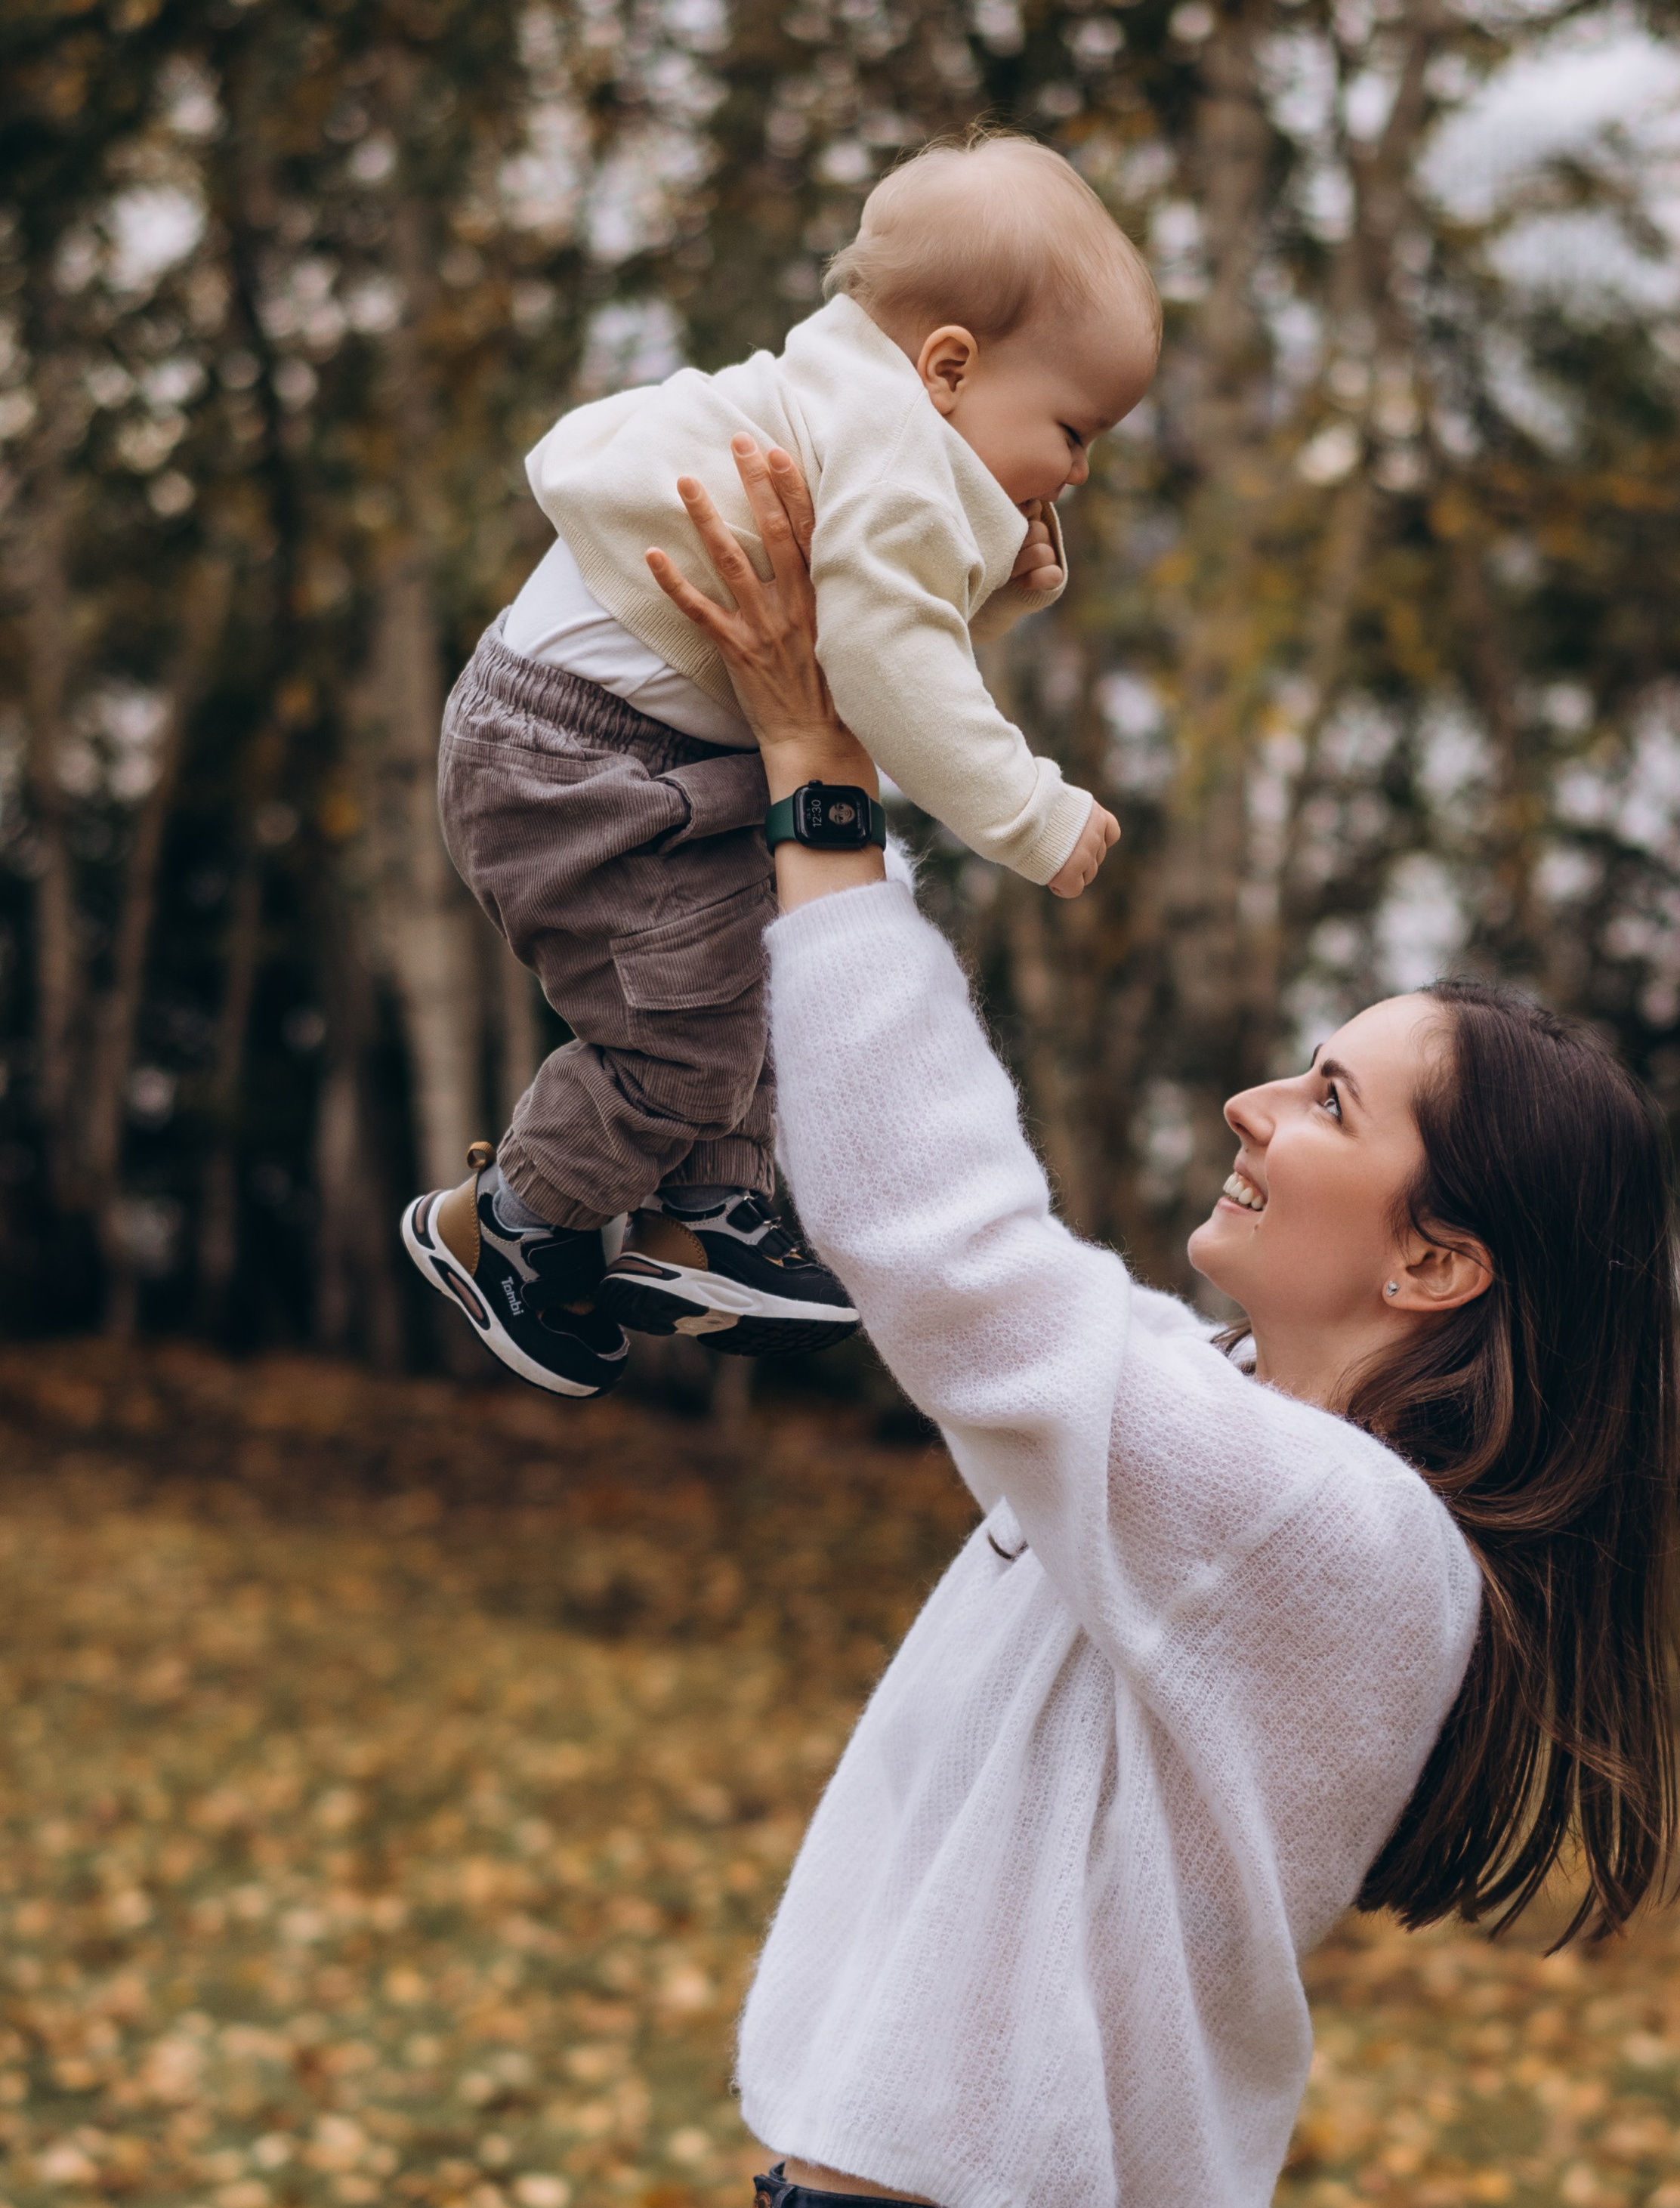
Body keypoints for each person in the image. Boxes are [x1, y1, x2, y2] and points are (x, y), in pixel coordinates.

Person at [650, 451, 1680, 2208]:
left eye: (1327, 1100)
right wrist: (921, 637)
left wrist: (830, 770)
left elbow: (956, 1249)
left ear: (1439, 1265)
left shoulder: (1331, 1544)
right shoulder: (1226, 1463)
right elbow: (922, 1251)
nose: (1252, 1102)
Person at [400, 134, 1157, 1398]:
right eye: (1074, 431)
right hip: (573, 756)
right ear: (951, 367)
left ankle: (717, 1217)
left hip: (607, 743)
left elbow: (874, 633)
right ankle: (513, 1220)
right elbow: (887, 665)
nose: (1078, 470)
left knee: (759, 978)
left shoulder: (854, 418)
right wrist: (1032, 812)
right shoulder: (901, 469)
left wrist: (1003, 598)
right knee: (675, 1041)